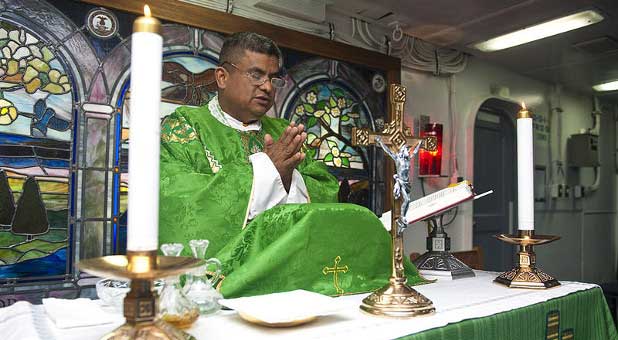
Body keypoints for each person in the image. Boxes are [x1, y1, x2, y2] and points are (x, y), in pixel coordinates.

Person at [158, 32, 423, 298]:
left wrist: (285, 178)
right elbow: (177, 202)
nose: (267, 87)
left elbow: (325, 192)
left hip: (294, 278)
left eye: (274, 79)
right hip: (224, 282)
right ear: (222, 77)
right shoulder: (186, 125)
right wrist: (267, 170)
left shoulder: (285, 131)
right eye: (256, 75)